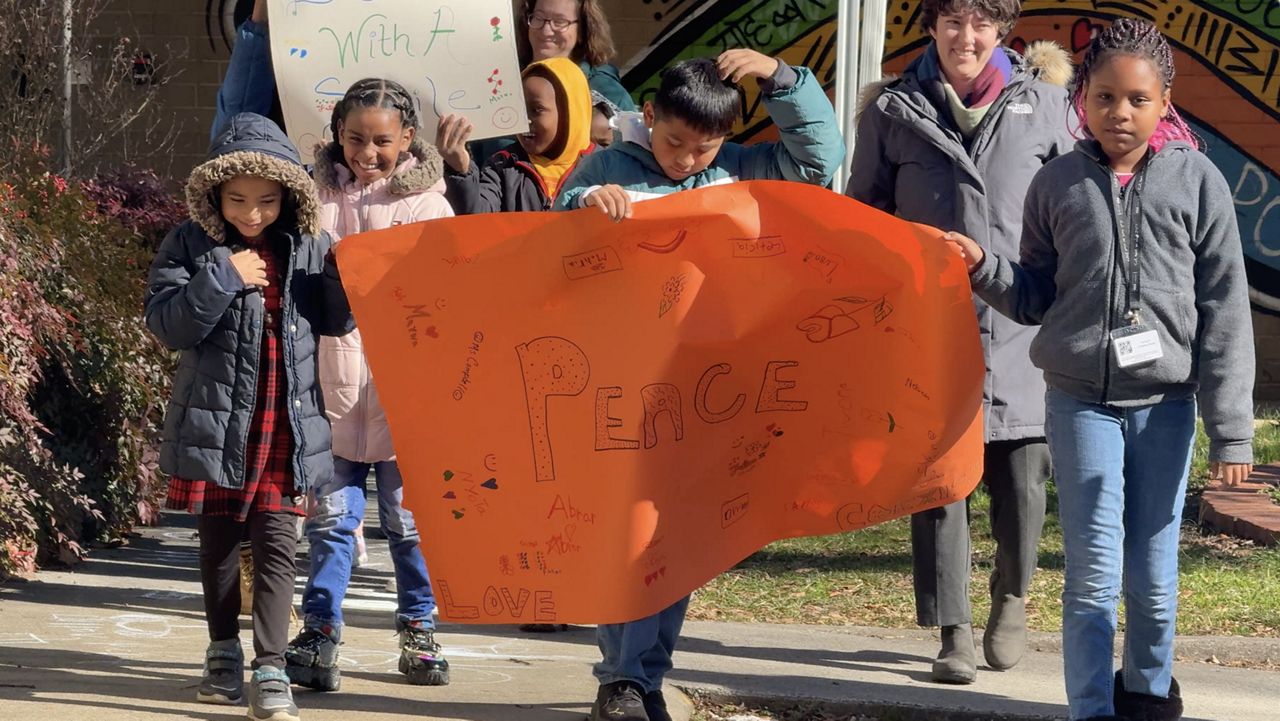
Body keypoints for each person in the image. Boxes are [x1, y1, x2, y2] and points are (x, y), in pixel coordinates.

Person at [945, 17, 1254, 720]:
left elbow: (1226, 310)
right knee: (1092, 576)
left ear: (1164, 100)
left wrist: (1232, 433)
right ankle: (1091, 709)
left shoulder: (1198, 181)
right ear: (1081, 96)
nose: (1120, 112)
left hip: (1166, 408)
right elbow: (1035, 294)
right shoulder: (1056, 182)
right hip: (1080, 403)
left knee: (1152, 578)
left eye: (1138, 99)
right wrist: (985, 267)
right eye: (1105, 97)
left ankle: (1146, 695)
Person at [556, 50, 845, 721]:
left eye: (703, 147)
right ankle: (622, 679)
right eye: (674, 141)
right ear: (648, 115)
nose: (686, 160)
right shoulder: (606, 169)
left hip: (708, 390)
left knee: (679, 535)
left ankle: (647, 678)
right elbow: (554, 237)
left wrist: (783, 78)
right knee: (632, 531)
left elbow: (817, 162)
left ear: (726, 140)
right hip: (624, 383)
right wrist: (582, 205)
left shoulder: (737, 169)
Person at [213, 0, 455, 690]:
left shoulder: (431, 205)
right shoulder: (311, 199)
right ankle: (319, 632)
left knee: (411, 525)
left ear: (408, 139)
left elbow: (446, 293)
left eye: (383, 141)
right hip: (328, 395)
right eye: (355, 139)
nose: (367, 153)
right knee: (330, 524)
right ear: (336, 134)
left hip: (407, 399)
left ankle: (420, 631)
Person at [845, 0, 1074, 684]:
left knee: (1023, 478)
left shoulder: (1048, 106)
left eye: (980, 23)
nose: (965, 38)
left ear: (1002, 30)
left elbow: (1075, 211)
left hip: (1022, 321)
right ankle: (954, 630)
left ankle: (1013, 595)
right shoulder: (892, 110)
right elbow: (864, 219)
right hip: (930, 328)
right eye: (951, 21)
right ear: (931, 27)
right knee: (940, 482)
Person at [146, 111, 354, 721]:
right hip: (217, 420)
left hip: (287, 418)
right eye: (237, 199)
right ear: (214, 193)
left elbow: (335, 320)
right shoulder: (191, 243)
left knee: (278, 542)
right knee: (217, 541)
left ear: (288, 195)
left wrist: (341, 278)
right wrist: (221, 275)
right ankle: (221, 653)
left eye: (267, 200)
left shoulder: (310, 244)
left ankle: (270, 667)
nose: (253, 213)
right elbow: (168, 324)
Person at [437, 57, 596, 214]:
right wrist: (461, 170)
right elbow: (476, 217)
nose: (525, 120)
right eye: (519, 109)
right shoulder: (502, 166)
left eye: (537, 110)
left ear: (571, 114)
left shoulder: (601, 165)